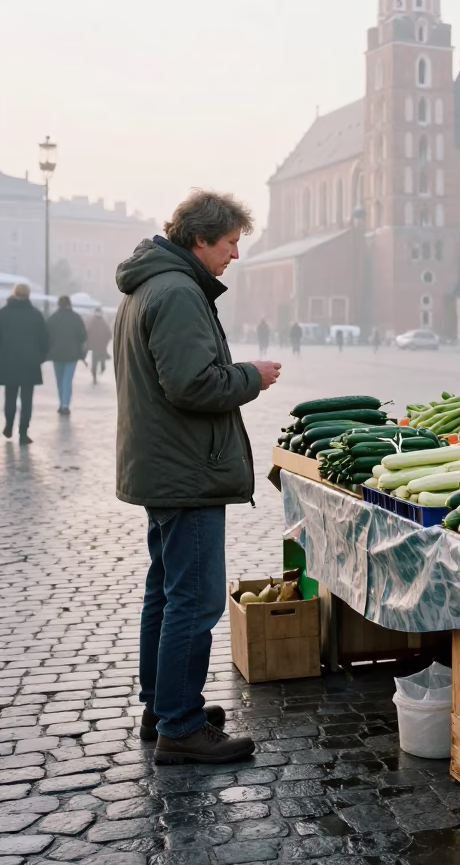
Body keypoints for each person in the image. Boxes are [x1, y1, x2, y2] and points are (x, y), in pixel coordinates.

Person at [114, 189, 281, 765]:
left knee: (166, 593)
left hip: (166, 465)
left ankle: (162, 708)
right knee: (194, 600)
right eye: (230, 242)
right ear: (201, 238)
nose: (235, 253)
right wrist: (251, 375)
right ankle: (181, 727)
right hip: (187, 470)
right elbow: (192, 384)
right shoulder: (178, 291)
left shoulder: (151, 285)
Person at [0, 283, 49, 445]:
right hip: (30, 363)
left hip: (8, 362)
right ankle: (23, 432)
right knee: (27, 399)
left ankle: (8, 425)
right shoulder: (36, 315)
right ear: (28, 295)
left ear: (14, 293)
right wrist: (41, 357)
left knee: (10, 396)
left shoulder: (3, 313)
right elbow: (44, 339)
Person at [47, 295, 87, 415]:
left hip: (57, 353)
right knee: (67, 380)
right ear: (70, 304)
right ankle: (65, 405)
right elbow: (83, 336)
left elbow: (47, 335)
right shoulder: (76, 318)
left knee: (59, 380)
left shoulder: (53, 318)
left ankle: (61, 403)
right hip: (72, 354)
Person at [86, 308, 113, 384]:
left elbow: (88, 333)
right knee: (99, 361)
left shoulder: (94, 322)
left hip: (97, 347)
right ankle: (96, 375)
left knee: (96, 362)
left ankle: (95, 375)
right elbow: (109, 335)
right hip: (100, 347)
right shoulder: (101, 322)